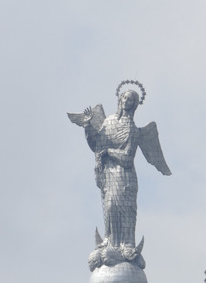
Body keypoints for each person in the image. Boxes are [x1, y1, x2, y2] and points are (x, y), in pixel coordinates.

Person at [69, 85, 170, 251]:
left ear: (134, 105)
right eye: (125, 98)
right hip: (108, 173)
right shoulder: (108, 121)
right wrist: (87, 126)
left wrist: (109, 152)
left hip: (124, 175)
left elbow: (128, 158)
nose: (127, 101)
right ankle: (110, 241)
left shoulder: (132, 129)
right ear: (120, 98)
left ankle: (126, 244)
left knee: (124, 209)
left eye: (131, 100)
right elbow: (97, 145)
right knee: (109, 207)